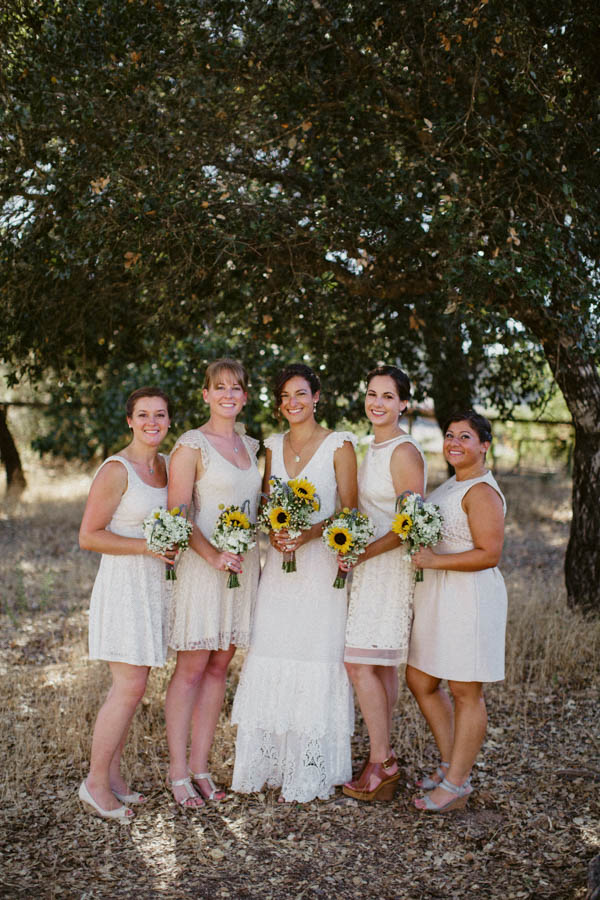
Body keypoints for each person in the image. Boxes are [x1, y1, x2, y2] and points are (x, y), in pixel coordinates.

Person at [231, 363, 358, 803]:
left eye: (300, 394)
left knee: (316, 654)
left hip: (322, 569)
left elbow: (350, 512)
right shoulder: (271, 446)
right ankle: (268, 764)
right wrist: (276, 530)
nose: (292, 403)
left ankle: (310, 768)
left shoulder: (340, 445)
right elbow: (266, 504)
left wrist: (307, 533)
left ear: (316, 396)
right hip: (280, 573)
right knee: (273, 650)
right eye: (285, 396)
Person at [165, 358, 261, 808]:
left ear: (245, 396)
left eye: (236, 387)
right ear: (205, 394)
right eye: (219, 387)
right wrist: (213, 555)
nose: (228, 394)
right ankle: (178, 773)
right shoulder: (190, 446)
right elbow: (179, 515)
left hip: (242, 570)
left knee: (220, 668)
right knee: (190, 671)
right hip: (204, 570)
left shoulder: (252, 446)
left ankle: (202, 768)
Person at [78, 387, 174, 821]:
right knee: (128, 686)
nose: (152, 422)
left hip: (153, 588)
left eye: (160, 414)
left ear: (169, 421)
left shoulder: (167, 467)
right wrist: (147, 547)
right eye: (143, 415)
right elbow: (89, 535)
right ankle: (95, 784)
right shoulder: (117, 470)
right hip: (124, 586)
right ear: (129, 421)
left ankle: (115, 779)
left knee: (135, 688)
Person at [406, 410, 507, 813]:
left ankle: (457, 785)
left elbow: (490, 554)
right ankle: (451, 763)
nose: (454, 443)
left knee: (466, 691)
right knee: (421, 680)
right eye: (450, 435)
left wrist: (433, 562)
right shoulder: (453, 482)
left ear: (484, 445)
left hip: (470, 598)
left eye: (466, 437)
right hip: (438, 595)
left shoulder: (482, 492)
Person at [341, 365, 426, 801]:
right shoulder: (371, 447)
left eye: (388, 397)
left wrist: (364, 553)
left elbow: (411, 526)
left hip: (390, 569)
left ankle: (383, 761)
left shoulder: (404, 452)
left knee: (357, 663)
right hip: (370, 566)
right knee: (377, 665)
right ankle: (381, 755)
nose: (377, 402)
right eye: (372, 394)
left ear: (404, 404)